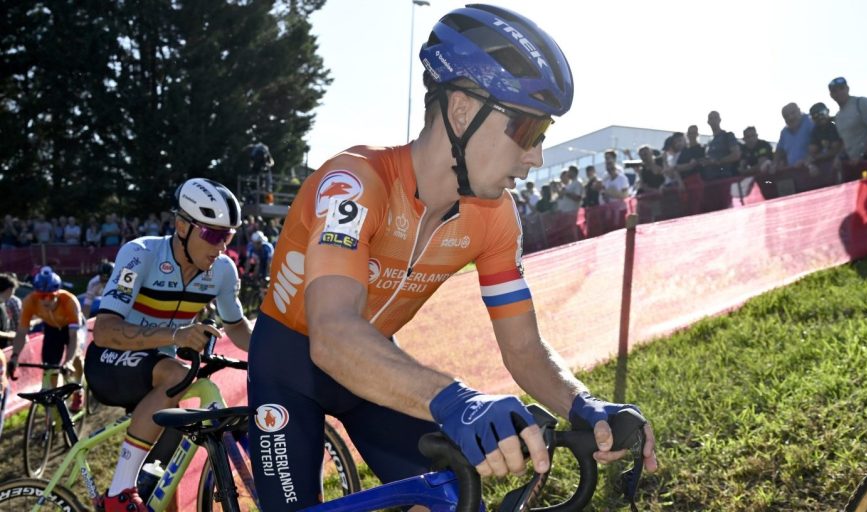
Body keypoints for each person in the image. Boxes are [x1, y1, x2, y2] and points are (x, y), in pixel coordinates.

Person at [246, 5, 657, 510]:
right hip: (290, 367)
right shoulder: (354, 182)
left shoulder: (495, 216)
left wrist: (585, 406)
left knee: (456, 501)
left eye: (542, 137)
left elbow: (525, 349)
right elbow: (331, 336)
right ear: (462, 110)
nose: (537, 157)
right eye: (527, 132)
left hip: (376, 369)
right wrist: (459, 401)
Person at [86, 178, 253, 511]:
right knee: (177, 374)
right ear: (181, 225)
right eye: (213, 234)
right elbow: (104, 331)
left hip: (161, 370)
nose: (221, 247)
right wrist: (176, 336)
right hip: (112, 358)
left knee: (164, 481)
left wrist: (274, 352)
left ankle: (142, 492)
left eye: (229, 236)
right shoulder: (140, 254)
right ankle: (118, 493)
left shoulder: (221, 271)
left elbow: (237, 326)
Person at [8, 267, 86, 410]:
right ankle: (55, 404)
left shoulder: (69, 301)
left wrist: (68, 361)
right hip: (51, 328)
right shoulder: (29, 302)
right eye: (41, 296)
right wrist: (14, 357)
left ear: (57, 293)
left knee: (76, 359)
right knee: (50, 367)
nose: (45, 300)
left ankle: (78, 389)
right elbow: (21, 333)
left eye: (50, 296)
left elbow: (73, 337)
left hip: (71, 328)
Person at [829, 77, 867, 161]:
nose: (839, 93)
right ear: (831, 95)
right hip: (852, 162)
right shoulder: (838, 117)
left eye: (841, 88)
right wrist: (838, 157)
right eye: (834, 91)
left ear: (847, 89)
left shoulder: (861, 103)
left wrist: (862, 154)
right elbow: (846, 141)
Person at [701, 111, 740, 181]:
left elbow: (736, 155)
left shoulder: (728, 136)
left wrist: (717, 161)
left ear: (719, 120)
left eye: (715, 118)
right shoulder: (709, 142)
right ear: (708, 122)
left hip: (725, 178)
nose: (713, 120)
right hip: (710, 180)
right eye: (711, 118)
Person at [774, 103, 814, 169]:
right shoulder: (784, 132)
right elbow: (779, 151)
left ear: (799, 110)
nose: (790, 117)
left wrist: (806, 159)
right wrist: (774, 164)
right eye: (786, 116)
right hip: (794, 172)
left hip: (813, 168)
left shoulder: (811, 122)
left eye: (793, 113)